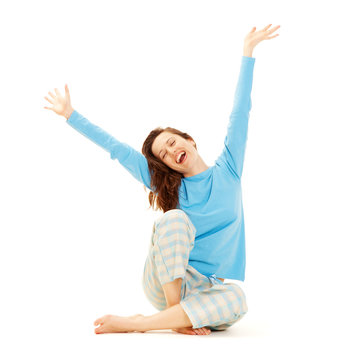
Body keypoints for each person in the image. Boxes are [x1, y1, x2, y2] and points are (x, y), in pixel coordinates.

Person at [43, 24, 280, 335]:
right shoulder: (172, 186)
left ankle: (147, 323)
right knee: (175, 219)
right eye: (164, 154)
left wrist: (248, 52)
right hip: (166, 279)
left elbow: (239, 113)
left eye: (172, 142)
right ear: (167, 166)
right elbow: (117, 149)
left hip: (203, 289)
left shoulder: (230, 169)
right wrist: (71, 115)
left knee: (237, 299)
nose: (171, 151)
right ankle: (173, 314)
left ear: (189, 141)